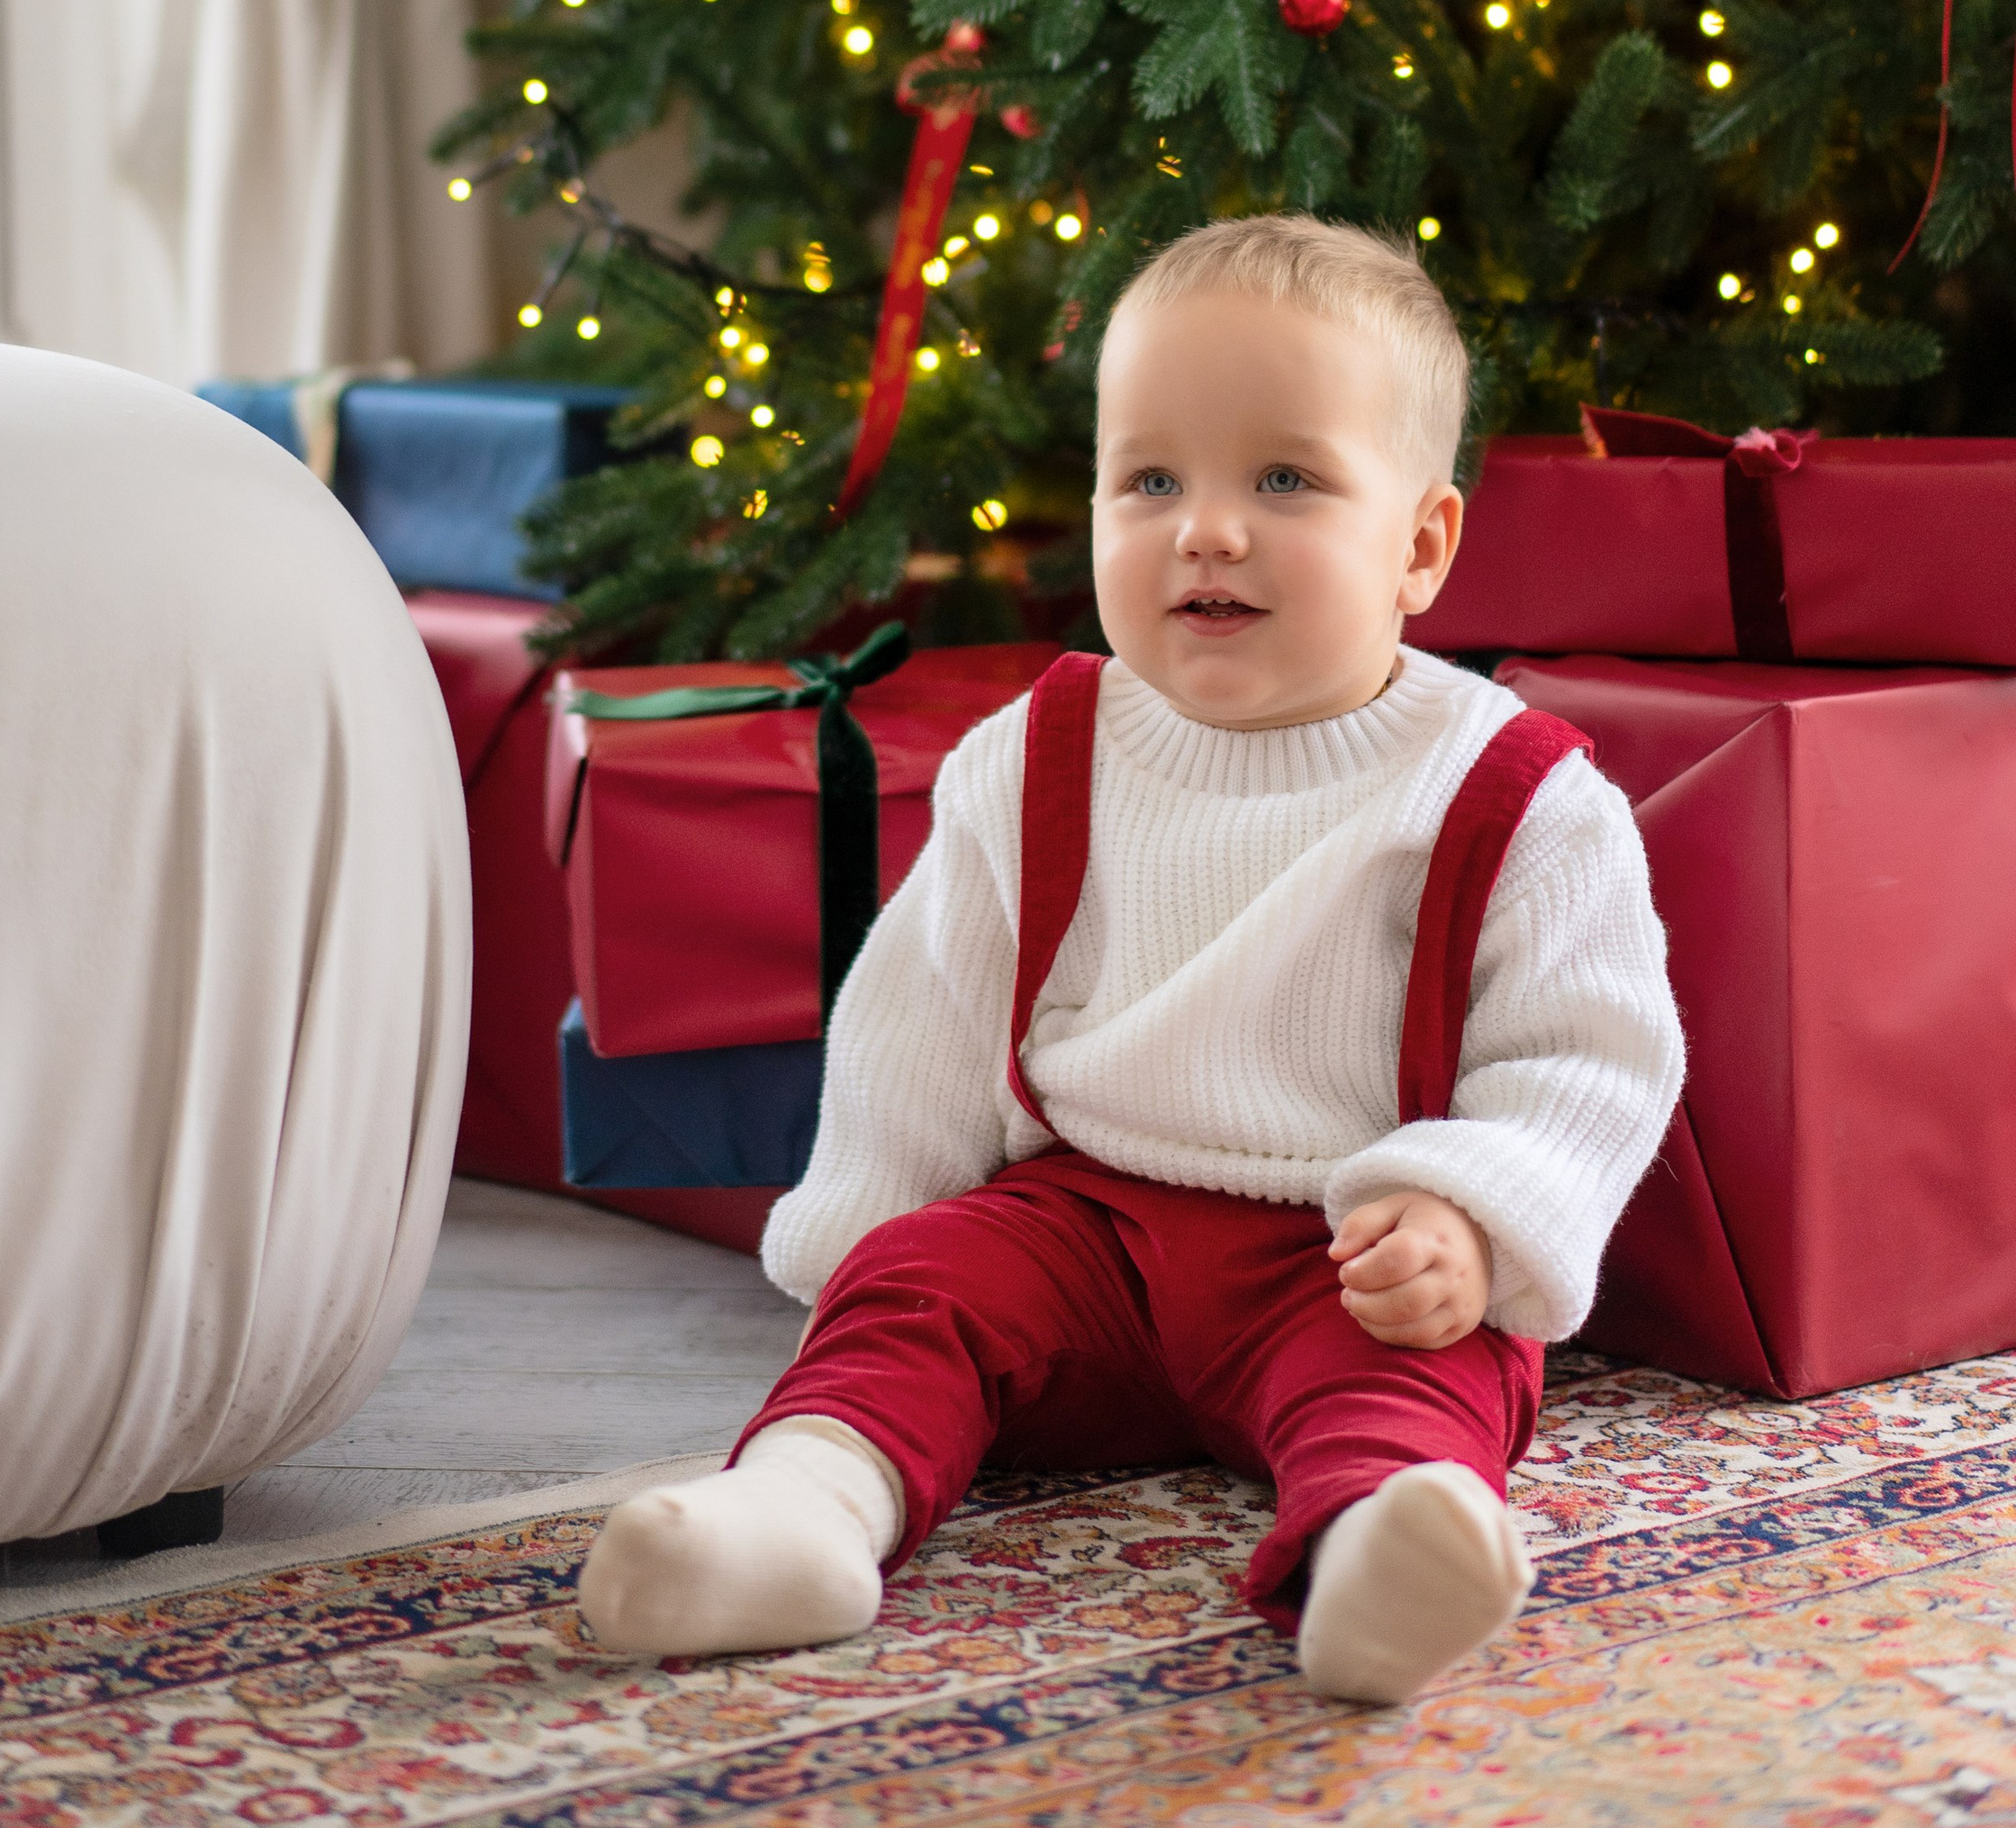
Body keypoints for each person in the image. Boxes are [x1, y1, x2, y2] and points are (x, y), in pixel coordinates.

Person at [579, 215, 1683, 1704]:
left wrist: (1475, 1221)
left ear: (1420, 545)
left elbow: (1589, 1059)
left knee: (1426, 1373)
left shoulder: (1510, 792)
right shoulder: (1040, 754)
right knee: (923, 1298)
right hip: (1082, 1231)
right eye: (1150, 479)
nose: (1205, 529)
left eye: (1283, 479)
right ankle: (808, 1509)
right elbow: (922, 1016)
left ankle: (1377, 1557)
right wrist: (870, 1250)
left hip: (1342, 1252)